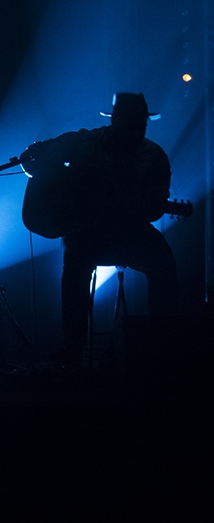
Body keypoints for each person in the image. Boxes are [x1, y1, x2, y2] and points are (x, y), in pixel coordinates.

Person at [19, 93, 179, 370]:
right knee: (77, 260)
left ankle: (163, 343)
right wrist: (55, 186)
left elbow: (153, 209)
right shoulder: (85, 143)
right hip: (87, 233)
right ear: (116, 121)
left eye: (140, 125)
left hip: (130, 233)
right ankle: (73, 347)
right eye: (130, 123)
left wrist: (136, 208)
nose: (135, 130)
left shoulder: (154, 157)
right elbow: (31, 156)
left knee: (162, 259)